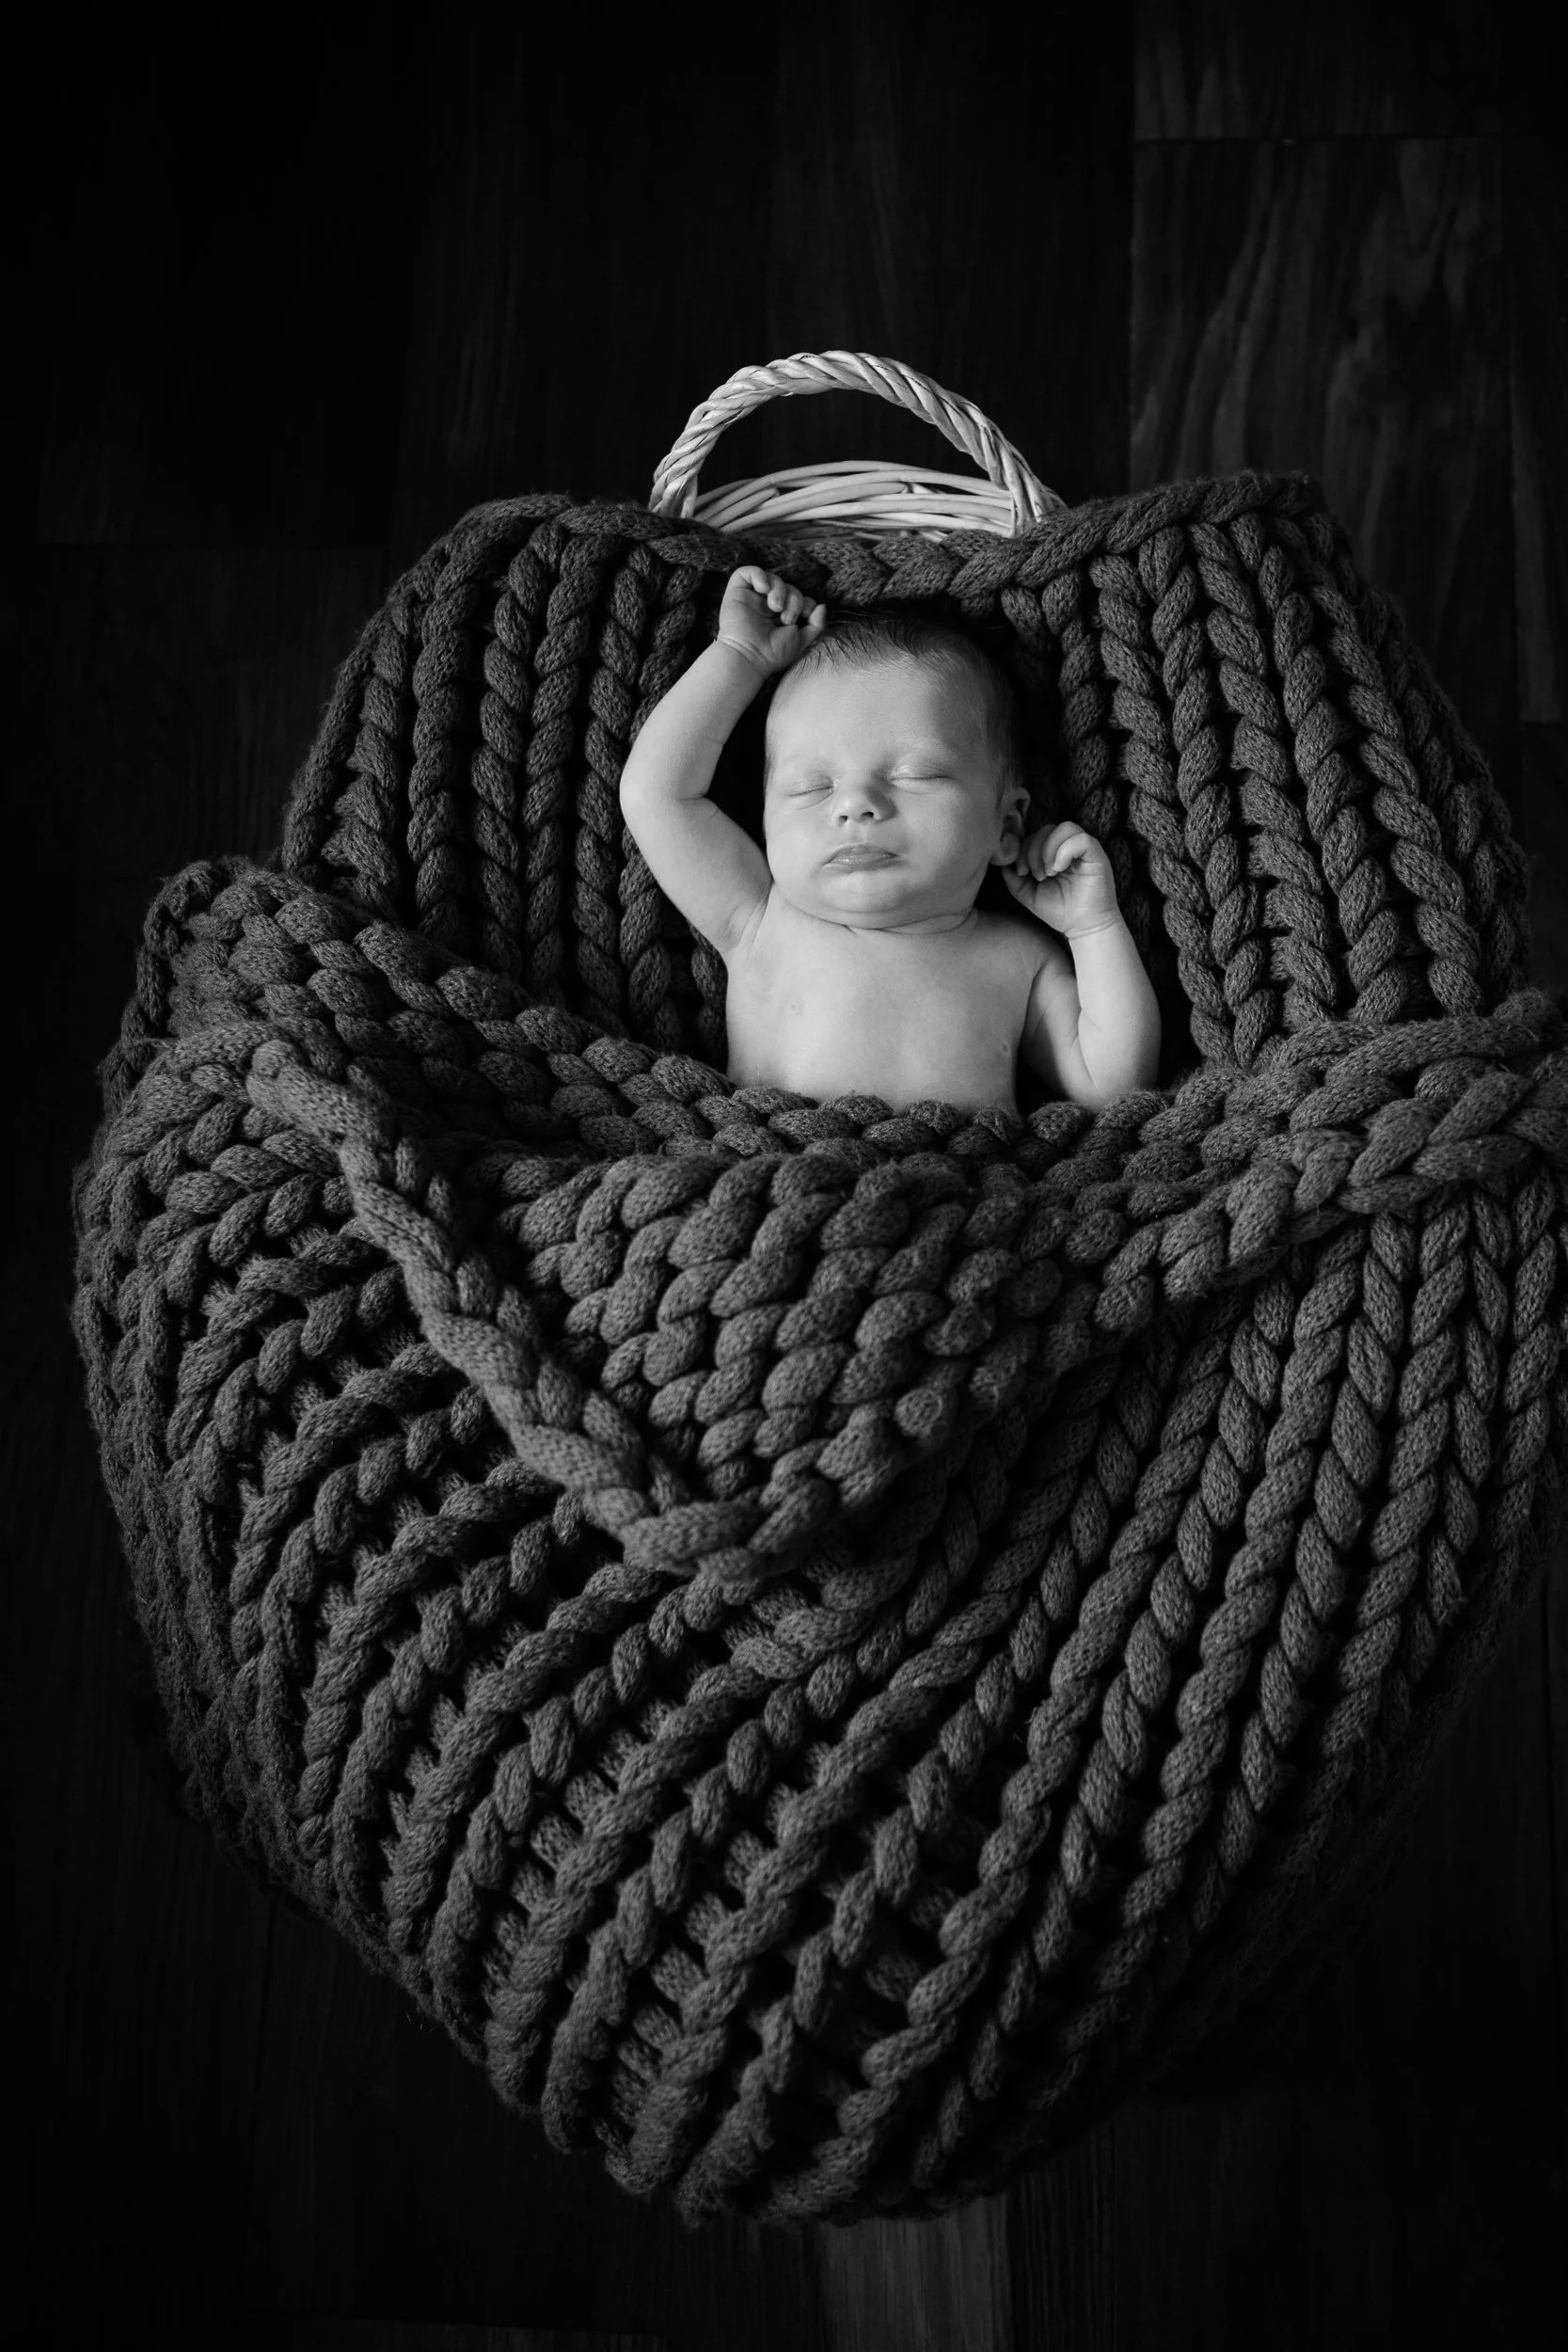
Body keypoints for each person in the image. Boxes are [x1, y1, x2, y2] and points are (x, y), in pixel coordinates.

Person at [618, 564, 1161, 1113]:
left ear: (1007, 827)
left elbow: (1113, 1085)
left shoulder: (1017, 959)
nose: (855, 804)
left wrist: (1094, 927)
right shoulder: (760, 920)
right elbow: (657, 796)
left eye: (916, 775)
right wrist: (739, 655)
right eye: (811, 788)